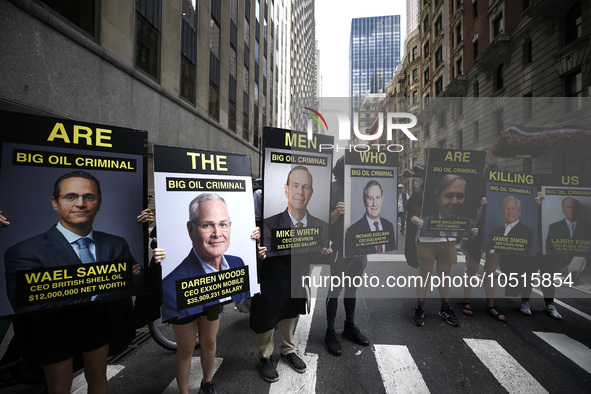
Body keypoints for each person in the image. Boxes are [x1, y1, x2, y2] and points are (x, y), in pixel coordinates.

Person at [3, 170, 143, 394]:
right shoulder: (24, 251)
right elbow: (28, 303)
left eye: (89, 197)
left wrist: (68, 288)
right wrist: (107, 282)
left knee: (98, 378)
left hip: (98, 322)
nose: (81, 203)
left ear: (99, 203)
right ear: (54, 202)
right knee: (59, 388)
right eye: (71, 197)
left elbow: (136, 283)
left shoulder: (115, 243)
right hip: (54, 330)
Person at [158, 193, 253, 394]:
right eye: (207, 225)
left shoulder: (237, 264)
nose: (217, 233)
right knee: (186, 348)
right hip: (185, 300)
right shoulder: (174, 282)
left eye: (223, 224)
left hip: (214, 298)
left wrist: (257, 248)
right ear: (191, 229)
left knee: (209, 341)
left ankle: (207, 383)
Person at [252, 181, 331, 382]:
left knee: (292, 307)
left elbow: (316, 241)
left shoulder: (310, 214)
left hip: (298, 265)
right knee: (269, 310)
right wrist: (257, 244)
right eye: (294, 186)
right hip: (272, 266)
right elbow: (253, 227)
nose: (299, 192)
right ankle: (265, 356)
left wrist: (321, 248)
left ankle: (287, 350)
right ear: (285, 188)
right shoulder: (263, 196)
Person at [410, 174, 478, 327]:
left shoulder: (465, 221)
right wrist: (417, 221)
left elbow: (469, 230)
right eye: (448, 195)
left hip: (448, 243)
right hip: (426, 242)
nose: (454, 201)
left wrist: (471, 232)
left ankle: (445, 308)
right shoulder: (423, 197)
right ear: (438, 198)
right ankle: (420, 307)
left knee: (445, 276)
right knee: (424, 274)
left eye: (459, 196)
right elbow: (412, 216)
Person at [324, 157, 369, 357]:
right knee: (335, 289)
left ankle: (349, 325)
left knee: (352, 288)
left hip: (359, 249)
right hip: (340, 250)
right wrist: (335, 212)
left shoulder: (364, 188)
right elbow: (322, 222)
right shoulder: (332, 188)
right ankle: (330, 331)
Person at [482, 196, 534, 322]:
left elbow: (524, 252)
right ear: (503, 210)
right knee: (487, 271)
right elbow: (489, 248)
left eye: (513, 208)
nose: (510, 211)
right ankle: (490, 305)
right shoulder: (497, 231)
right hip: (499, 260)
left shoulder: (526, 232)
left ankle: (524, 301)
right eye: (507, 208)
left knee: (525, 274)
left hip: (515, 265)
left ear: (519, 212)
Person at [263, 165, 329, 253]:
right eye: (295, 186)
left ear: (311, 193)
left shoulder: (324, 228)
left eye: (305, 187)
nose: (300, 192)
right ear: (286, 190)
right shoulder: (268, 226)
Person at [345, 180, 396, 257]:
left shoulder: (389, 226)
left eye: (377, 198)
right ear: (364, 200)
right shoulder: (353, 231)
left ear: (382, 199)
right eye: (370, 198)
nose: (374, 204)